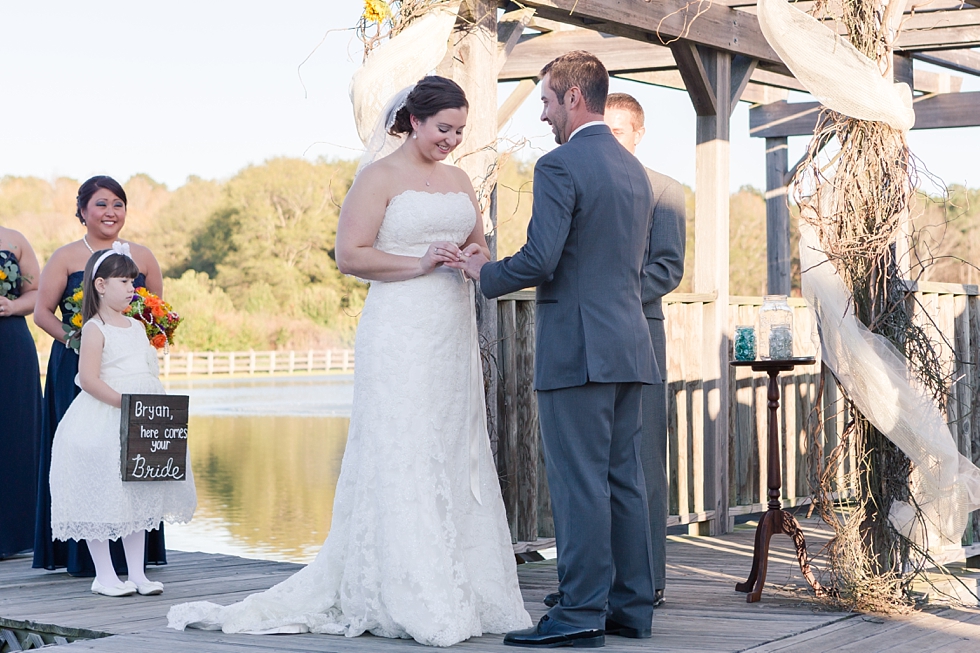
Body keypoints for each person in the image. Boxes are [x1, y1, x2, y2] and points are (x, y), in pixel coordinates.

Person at [167, 76, 530, 646]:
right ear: (414, 120)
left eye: (460, 130)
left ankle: (469, 585)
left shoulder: (461, 180)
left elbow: (482, 244)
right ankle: (407, 588)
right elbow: (349, 255)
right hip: (399, 328)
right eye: (443, 129)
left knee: (454, 444)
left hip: (451, 332)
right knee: (404, 446)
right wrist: (420, 263)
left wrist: (473, 254)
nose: (452, 140)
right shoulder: (378, 177)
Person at [450, 51, 658, 648]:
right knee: (623, 482)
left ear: (572, 97)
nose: (541, 114)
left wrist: (484, 271)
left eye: (544, 100)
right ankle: (629, 608)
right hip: (628, 346)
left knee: (579, 484)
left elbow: (541, 259)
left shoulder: (561, 165)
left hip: (579, 349)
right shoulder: (632, 169)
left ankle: (579, 614)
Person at [542, 93, 686, 612]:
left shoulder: (664, 190)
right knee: (585, 472)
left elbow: (667, 268)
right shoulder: (581, 177)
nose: (613, 140)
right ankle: (586, 584)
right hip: (583, 335)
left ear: (638, 134)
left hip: (637, 333)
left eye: (622, 132)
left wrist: (613, 293)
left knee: (639, 466)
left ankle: (645, 585)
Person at [33, 175, 168, 576]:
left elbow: (157, 313)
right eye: (101, 204)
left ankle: (136, 561)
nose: (111, 212)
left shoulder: (142, 256)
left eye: (118, 204)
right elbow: (42, 313)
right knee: (85, 454)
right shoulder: (66, 257)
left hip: (129, 370)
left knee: (132, 455)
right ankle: (80, 558)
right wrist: (84, 342)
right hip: (77, 367)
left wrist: (139, 349)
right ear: (82, 211)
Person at [48, 246, 196, 596]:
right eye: (124, 280)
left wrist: (155, 408)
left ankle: (137, 574)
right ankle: (105, 575)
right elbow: (88, 379)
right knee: (105, 493)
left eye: (133, 280)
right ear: (100, 285)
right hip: (106, 418)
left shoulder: (136, 326)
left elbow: (145, 369)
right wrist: (126, 404)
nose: (132, 287)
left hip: (143, 421)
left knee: (137, 494)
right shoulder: (96, 329)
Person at [0, 226, 42, 559]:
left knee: (15, 432)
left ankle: (16, 536)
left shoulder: (14, 239)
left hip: (10, 343)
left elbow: (38, 293)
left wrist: (11, 307)